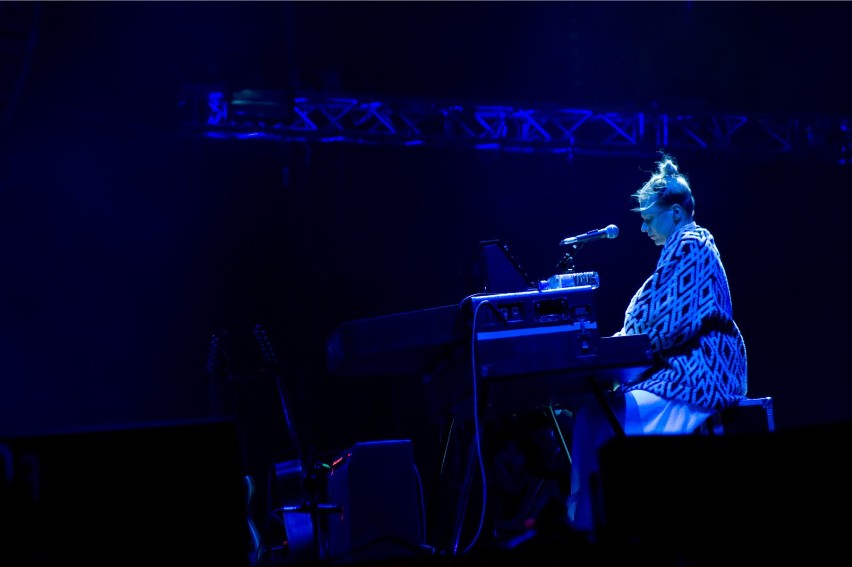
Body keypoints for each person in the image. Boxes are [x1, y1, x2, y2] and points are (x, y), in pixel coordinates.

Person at [566, 152, 748, 535]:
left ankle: (594, 528)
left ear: (676, 213)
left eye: (650, 218)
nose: (645, 227)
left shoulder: (693, 243)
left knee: (597, 416)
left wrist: (613, 346)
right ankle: (592, 523)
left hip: (699, 372)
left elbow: (669, 325)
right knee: (592, 415)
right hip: (677, 369)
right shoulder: (677, 250)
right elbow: (653, 320)